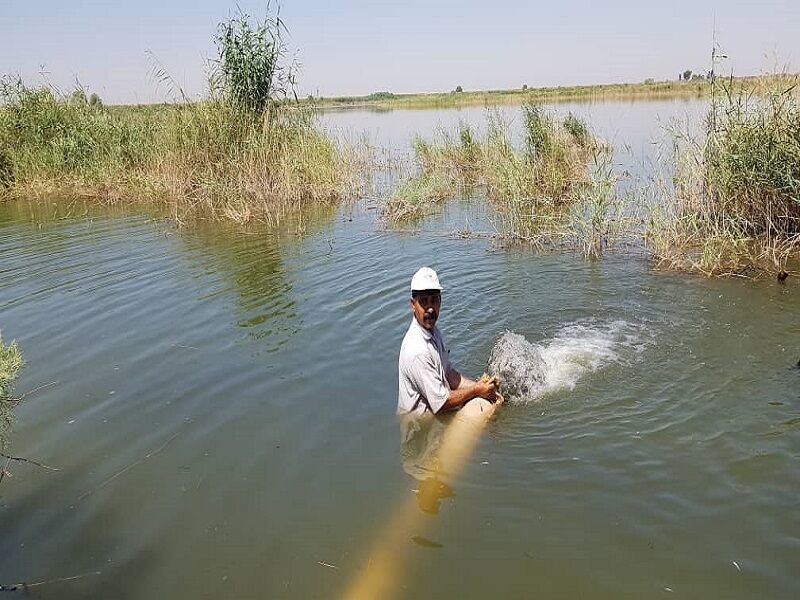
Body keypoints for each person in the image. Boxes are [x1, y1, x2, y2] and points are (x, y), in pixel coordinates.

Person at [397, 266, 500, 417]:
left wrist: (483, 387)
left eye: (434, 301)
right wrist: (477, 390)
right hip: (418, 426)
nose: (430, 309)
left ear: (440, 301)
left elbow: (449, 374)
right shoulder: (416, 350)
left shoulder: (432, 331)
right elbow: (442, 403)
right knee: (482, 406)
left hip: (436, 412)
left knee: (488, 399)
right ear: (413, 305)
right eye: (424, 302)